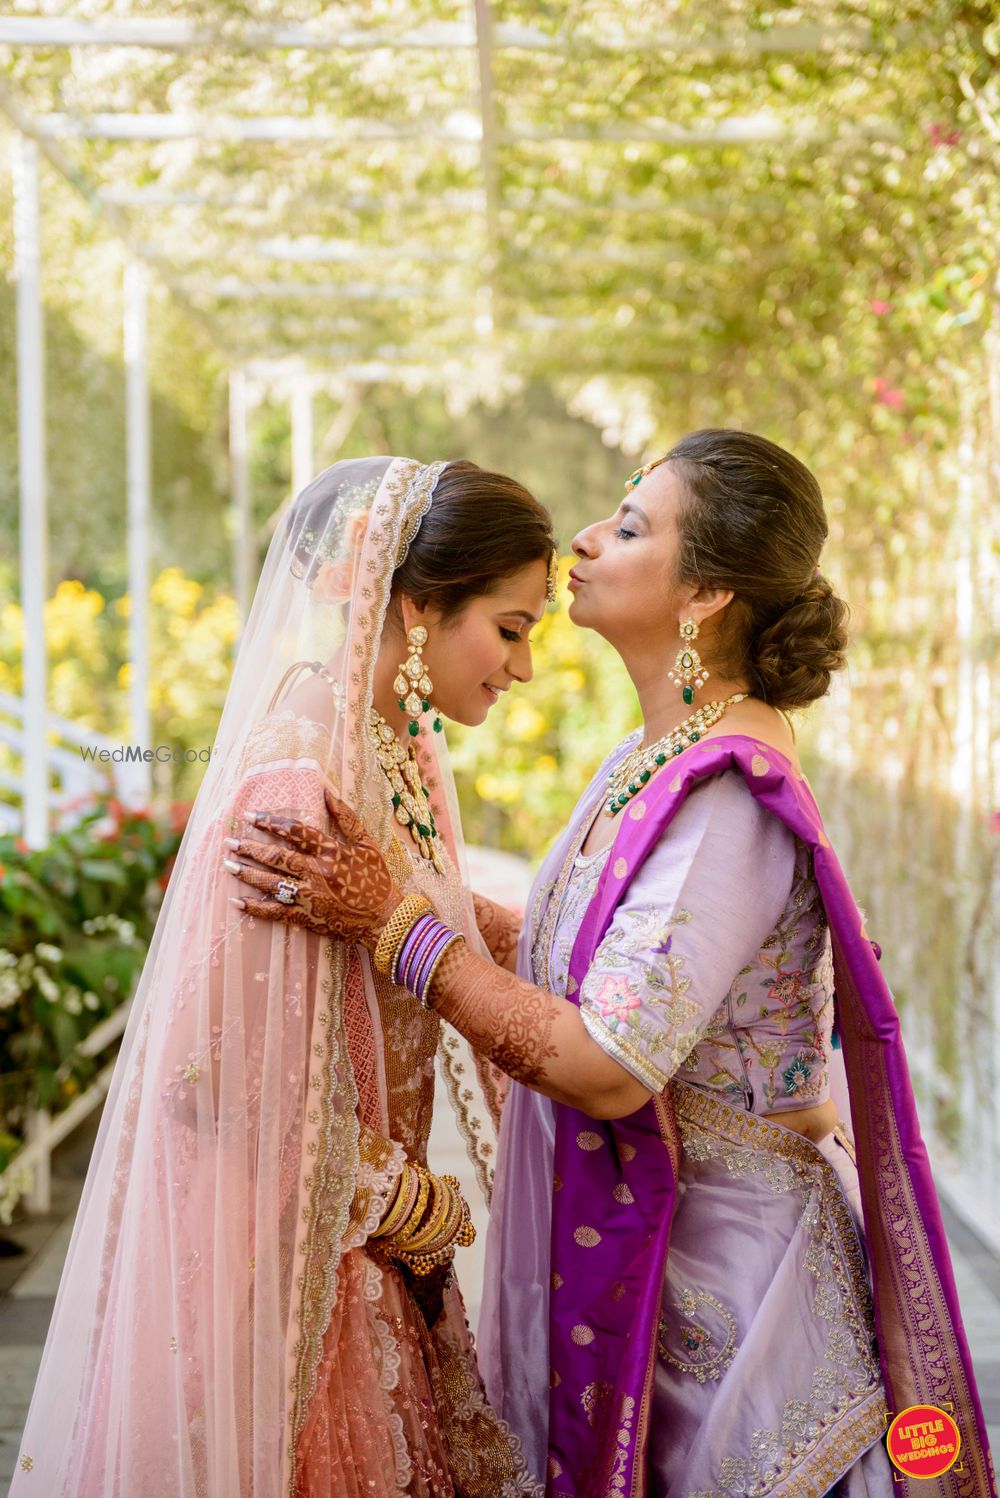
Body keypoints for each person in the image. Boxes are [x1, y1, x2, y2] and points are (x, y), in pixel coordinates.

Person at [229, 431, 995, 1496]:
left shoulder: (725, 796)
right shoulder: (653, 755)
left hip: (734, 1324)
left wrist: (397, 921)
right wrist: (411, 896)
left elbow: (605, 1061)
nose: (586, 536)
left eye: (632, 528)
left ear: (705, 594)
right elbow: (561, 955)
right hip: (669, 1274)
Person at [12, 456, 556, 1497]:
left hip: (371, 1260)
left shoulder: (402, 752)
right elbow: (205, 1075)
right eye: (511, 628)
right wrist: (402, 1198)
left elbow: (447, 919)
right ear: (415, 603)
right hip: (298, 1275)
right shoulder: (298, 779)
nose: (521, 669)